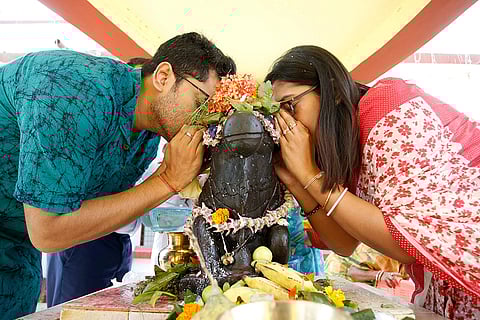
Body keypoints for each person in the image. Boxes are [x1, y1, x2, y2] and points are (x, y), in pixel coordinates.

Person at [0, 32, 235, 319]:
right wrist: (166, 181)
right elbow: (47, 230)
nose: (203, 122)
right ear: (163, 76)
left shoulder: (148, 135)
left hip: (17, 250)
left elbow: (91, 211)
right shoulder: (74, 91)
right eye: (201, 103)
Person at [267, 45, 480, 319]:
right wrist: (297, 182)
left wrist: (309, 174)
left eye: (290, 105)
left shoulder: (388, 106)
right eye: (278, 114)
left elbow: (403, 244)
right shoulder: (343, 145)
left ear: (330, 91)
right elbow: (344, 244)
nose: (285, 121)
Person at [45, 57, 148, 308]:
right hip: (84, 242)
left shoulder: (143, 137)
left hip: (121, 240)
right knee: (71, 310)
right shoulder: (92, 123)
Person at [325, 243, 408, 289]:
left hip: (366, 282)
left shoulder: (410, 258)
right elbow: (352, 272)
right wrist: (380, 275)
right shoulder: (378, 251)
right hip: (340, 272)